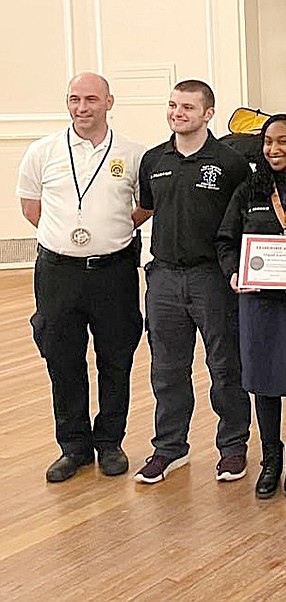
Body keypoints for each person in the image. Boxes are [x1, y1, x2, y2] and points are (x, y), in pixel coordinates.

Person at [17, 72, 146, 483]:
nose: (82, 107)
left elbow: (144, 206)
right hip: (58, 272)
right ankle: (73, 446)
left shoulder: (134, 153)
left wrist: (107, 233)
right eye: (74, 99)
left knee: (116, 357)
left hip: (113, 272)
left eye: (91, 99)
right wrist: (68, 241)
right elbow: (30, 206)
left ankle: (110, 441)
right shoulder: (43, 151)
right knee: (62, 358)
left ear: (109, 102)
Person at [133, 80, 253, 485]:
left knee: (224, 366)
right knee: (166, 369)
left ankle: (233, 447)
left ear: (208, 113)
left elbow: (243, 222)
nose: (177, 113)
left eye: (187, 107)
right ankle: (169, 449)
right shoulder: (153, 160)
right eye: (172, 105)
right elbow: (145, 209)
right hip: (163, 277)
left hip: (212, 278)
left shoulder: (230, 162)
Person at [216, 114, 286, 499]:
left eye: (282, 141)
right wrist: (232, 272)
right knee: (261, 379)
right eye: (267, 142)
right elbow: (226, 240)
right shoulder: (249, 190)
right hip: (257, 301)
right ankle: (270, 460)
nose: (273, 149)